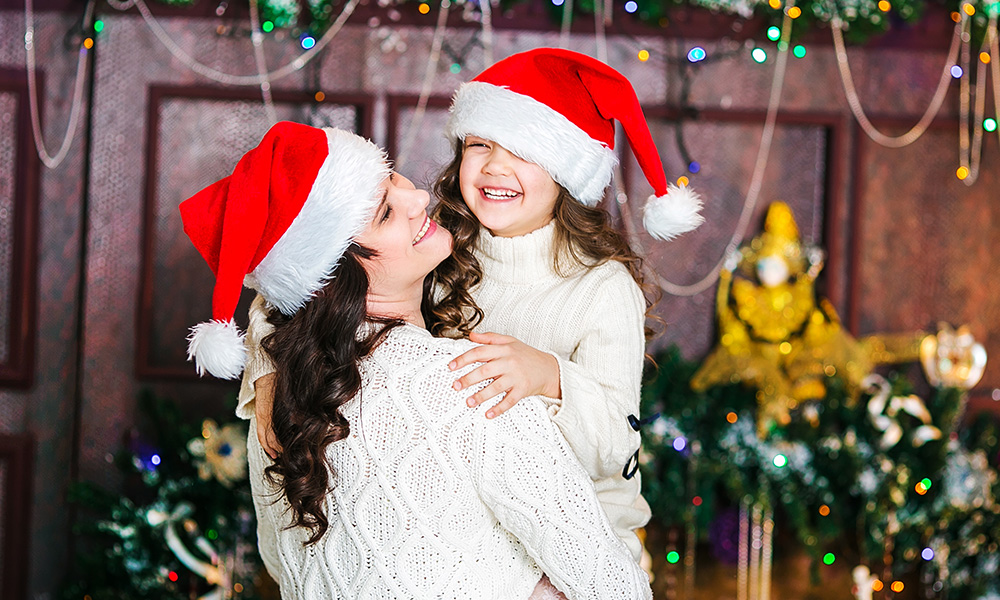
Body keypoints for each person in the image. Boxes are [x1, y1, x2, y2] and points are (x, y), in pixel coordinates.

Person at [247, 49, 705, 562]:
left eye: (525, 152)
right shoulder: (436, 245)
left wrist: (549, 376)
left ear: (566, 173)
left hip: (581, 544)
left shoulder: (600, 287)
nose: (496, 166)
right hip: (469, 534)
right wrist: (267, 377)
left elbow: (616, 444)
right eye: (480, 144)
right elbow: (296, 280)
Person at [180, 121, 653, 599]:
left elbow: (281, 563)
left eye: (392, 180)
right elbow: (615, 587)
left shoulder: (283, 405)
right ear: (337, 277)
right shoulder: (478, 381)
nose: (418, 198)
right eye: (386, 212)